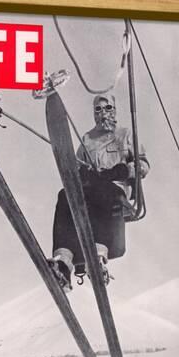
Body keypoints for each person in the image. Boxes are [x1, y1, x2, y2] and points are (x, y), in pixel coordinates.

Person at [49, 94, 150, 292]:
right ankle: (63, 262)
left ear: (114, 110)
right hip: (90, 189)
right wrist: (80, 174)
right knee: (65, 196)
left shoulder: (125, 134)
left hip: (115, 189)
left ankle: (97, 257)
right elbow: (75, 166)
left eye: (108, 108)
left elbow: (143, 164)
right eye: (98, 109)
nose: (103, 113)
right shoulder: (87, 139)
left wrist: (124, 170)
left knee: (104, 191)